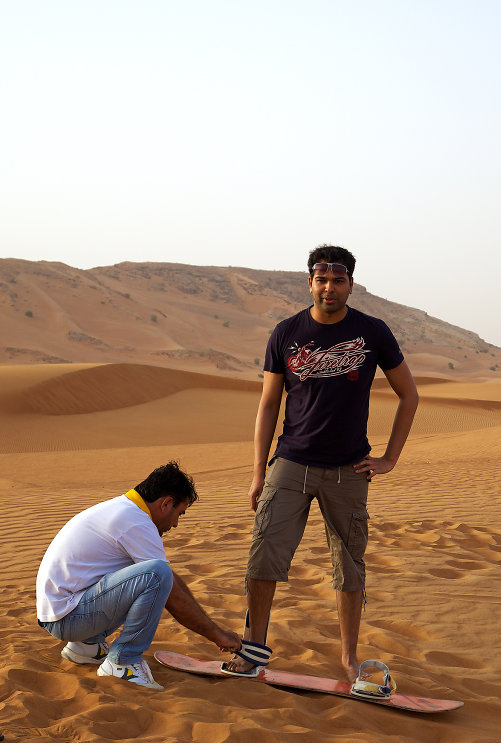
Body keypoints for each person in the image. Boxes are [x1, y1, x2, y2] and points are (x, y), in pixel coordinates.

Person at [224, 244, 419, 681]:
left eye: (339, 280)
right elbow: (268, 404)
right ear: (310, 282)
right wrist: (259, 472)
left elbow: (410, 395)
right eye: (322, 280)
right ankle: (253, 649)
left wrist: (390, 458)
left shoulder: (373, 332)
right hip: (291, 462)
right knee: (263, 556)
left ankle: (348, 657)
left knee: (350, 565)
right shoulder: (286, 332)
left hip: (348, 470)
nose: (329, 288)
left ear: (350, 284)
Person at [36, 460, 242, 690]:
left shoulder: (124, 510)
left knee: (154, 573)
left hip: (63, 614)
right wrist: (217, 635)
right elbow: (166, 584)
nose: (174, 524)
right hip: (69, 619)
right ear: (166, 503)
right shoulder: (135, 522)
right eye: (179, 515)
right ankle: (123, 663)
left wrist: (214, 629)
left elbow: (170, 579)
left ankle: (86, 646)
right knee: (155, 574)